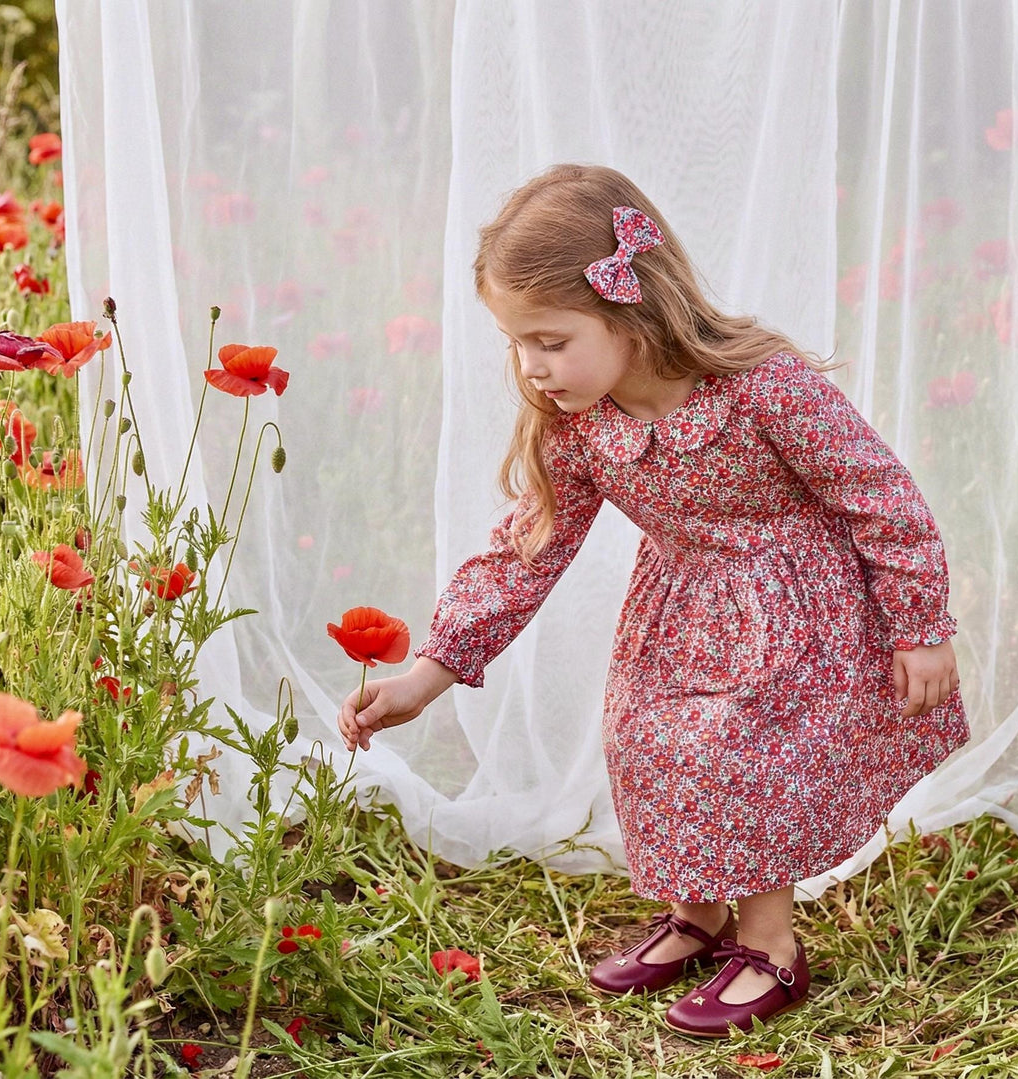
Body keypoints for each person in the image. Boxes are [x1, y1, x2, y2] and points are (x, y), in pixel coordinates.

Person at [336, 163, 967, 1038]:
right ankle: (700, 915)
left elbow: (880, 496)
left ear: (631, 309)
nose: (532, 366)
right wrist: (427, 673)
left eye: (551, 340)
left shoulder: (762, 386)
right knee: (648, 740)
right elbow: (525, 553)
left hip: (798, 614)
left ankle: (772, 945)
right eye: (517, 343)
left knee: (738, 756)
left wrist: (921, 627)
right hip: (678, 615)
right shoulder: (582, 423)